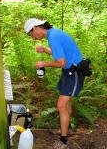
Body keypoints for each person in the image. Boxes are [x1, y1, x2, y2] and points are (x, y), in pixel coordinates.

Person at [24, 18, 85, 149]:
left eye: (31, 35)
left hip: (74, 71)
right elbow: (61, 53)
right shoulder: (53, 33)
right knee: (65, 105)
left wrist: (43, 63)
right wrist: (45, 50)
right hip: (68, 70)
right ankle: (65, 130)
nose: (33, 38)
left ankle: (63, 141)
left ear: (35, 28)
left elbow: (61, 62)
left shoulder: (53, 37)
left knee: (61, 105)